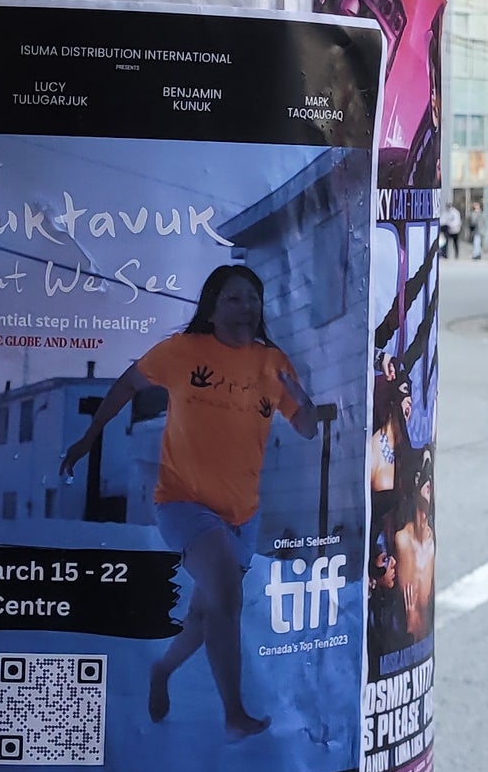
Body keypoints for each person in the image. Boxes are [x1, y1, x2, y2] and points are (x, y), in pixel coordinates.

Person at [58, 264, 334, 739]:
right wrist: (90, 435)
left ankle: (162, 669)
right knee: (228, 594)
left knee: (207, 615)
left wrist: (303, 401)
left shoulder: (274, 364)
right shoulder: (182, 352)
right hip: (182, 502)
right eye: (233, 299)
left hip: (243, 513)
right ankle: (234, 716)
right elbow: (127, 383)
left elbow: (306, 428)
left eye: (252, 298)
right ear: (211, 307)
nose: (246, 307)